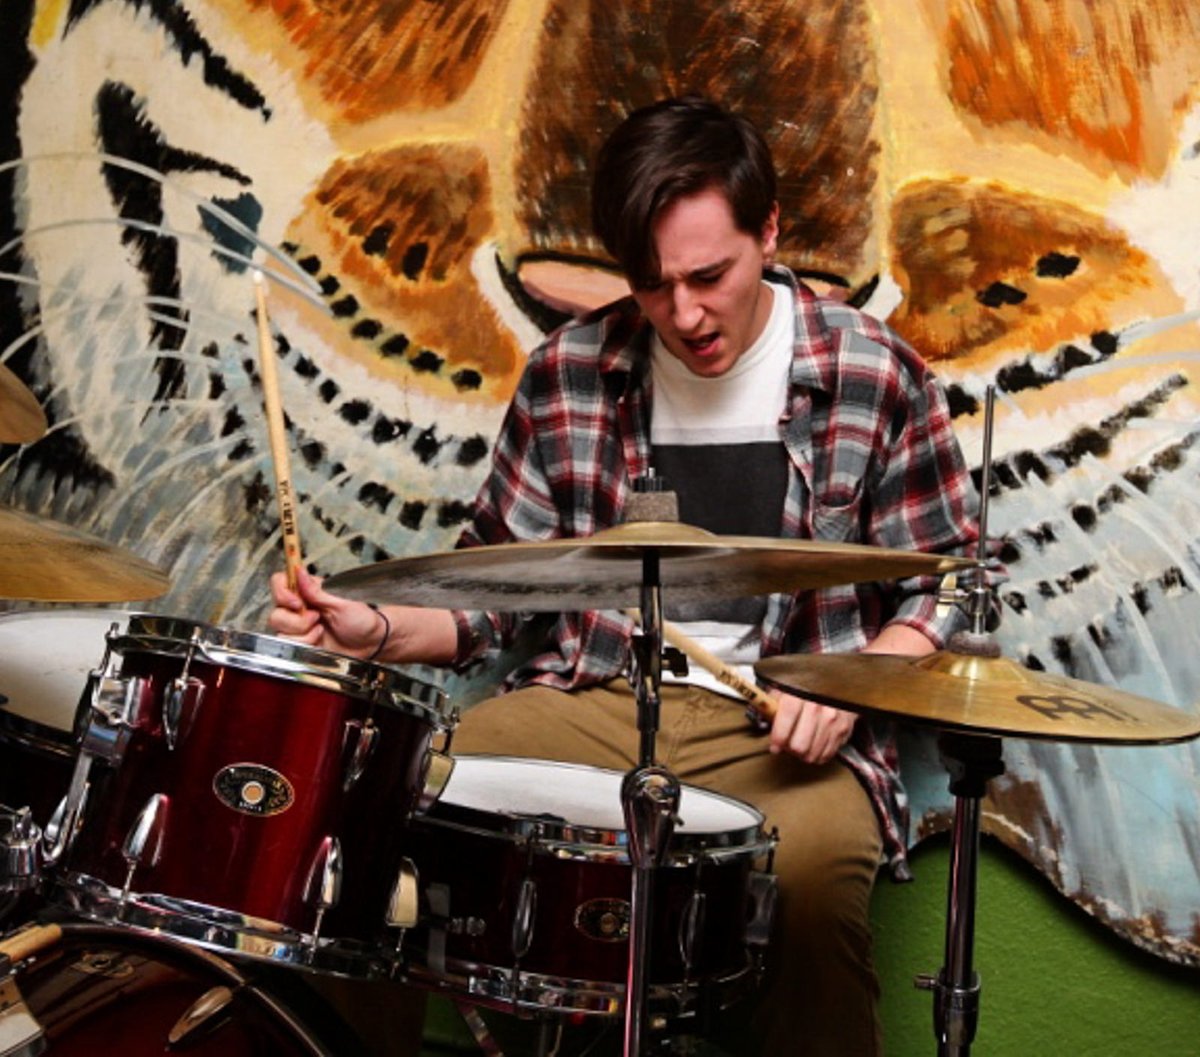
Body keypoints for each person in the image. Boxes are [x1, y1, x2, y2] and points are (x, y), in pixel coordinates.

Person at [269, 96, 980, 1056]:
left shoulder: (871, 369)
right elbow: (492, 595)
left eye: (709, 276)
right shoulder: (569, 371)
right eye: (652, 285)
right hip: (596, 695)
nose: (683, 314)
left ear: (769, 232)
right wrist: (379, 630)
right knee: (378, 806)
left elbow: (952, 579)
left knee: (809, 891)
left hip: (781, 730)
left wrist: (852, 684)